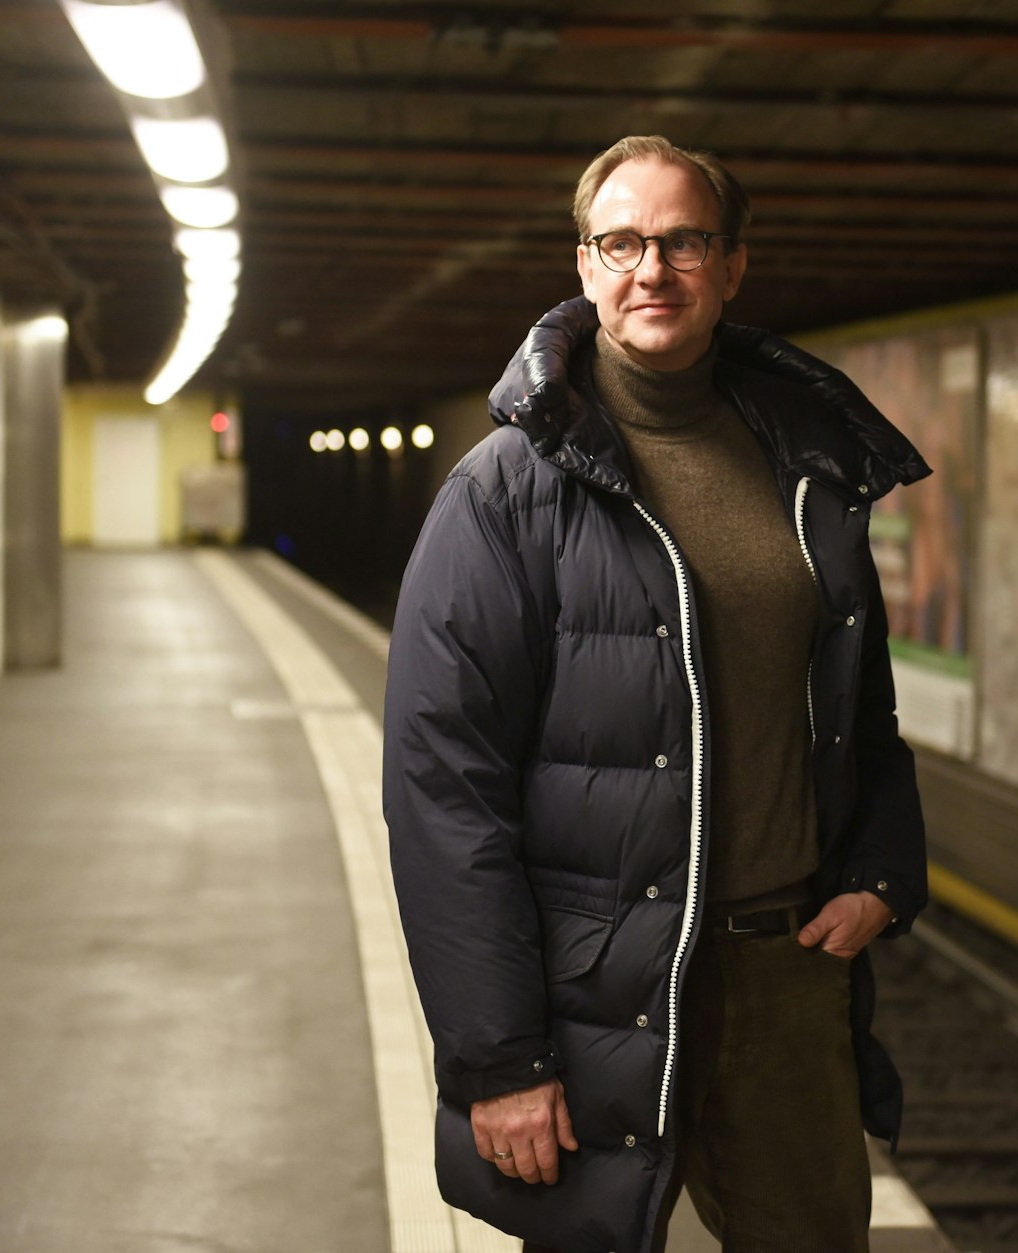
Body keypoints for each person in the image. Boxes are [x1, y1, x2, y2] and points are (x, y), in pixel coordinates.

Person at [382, 134, 929, 1253]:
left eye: (683, 241)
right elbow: (444, 791)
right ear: (582, 265)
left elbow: (851, 698)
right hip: (597, 987)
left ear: (731, 265)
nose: (652, 269)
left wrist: (883, 862)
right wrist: (497, 1057)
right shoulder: (507, 490)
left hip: (784, 977)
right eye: (622, 241)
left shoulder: (808, 463)